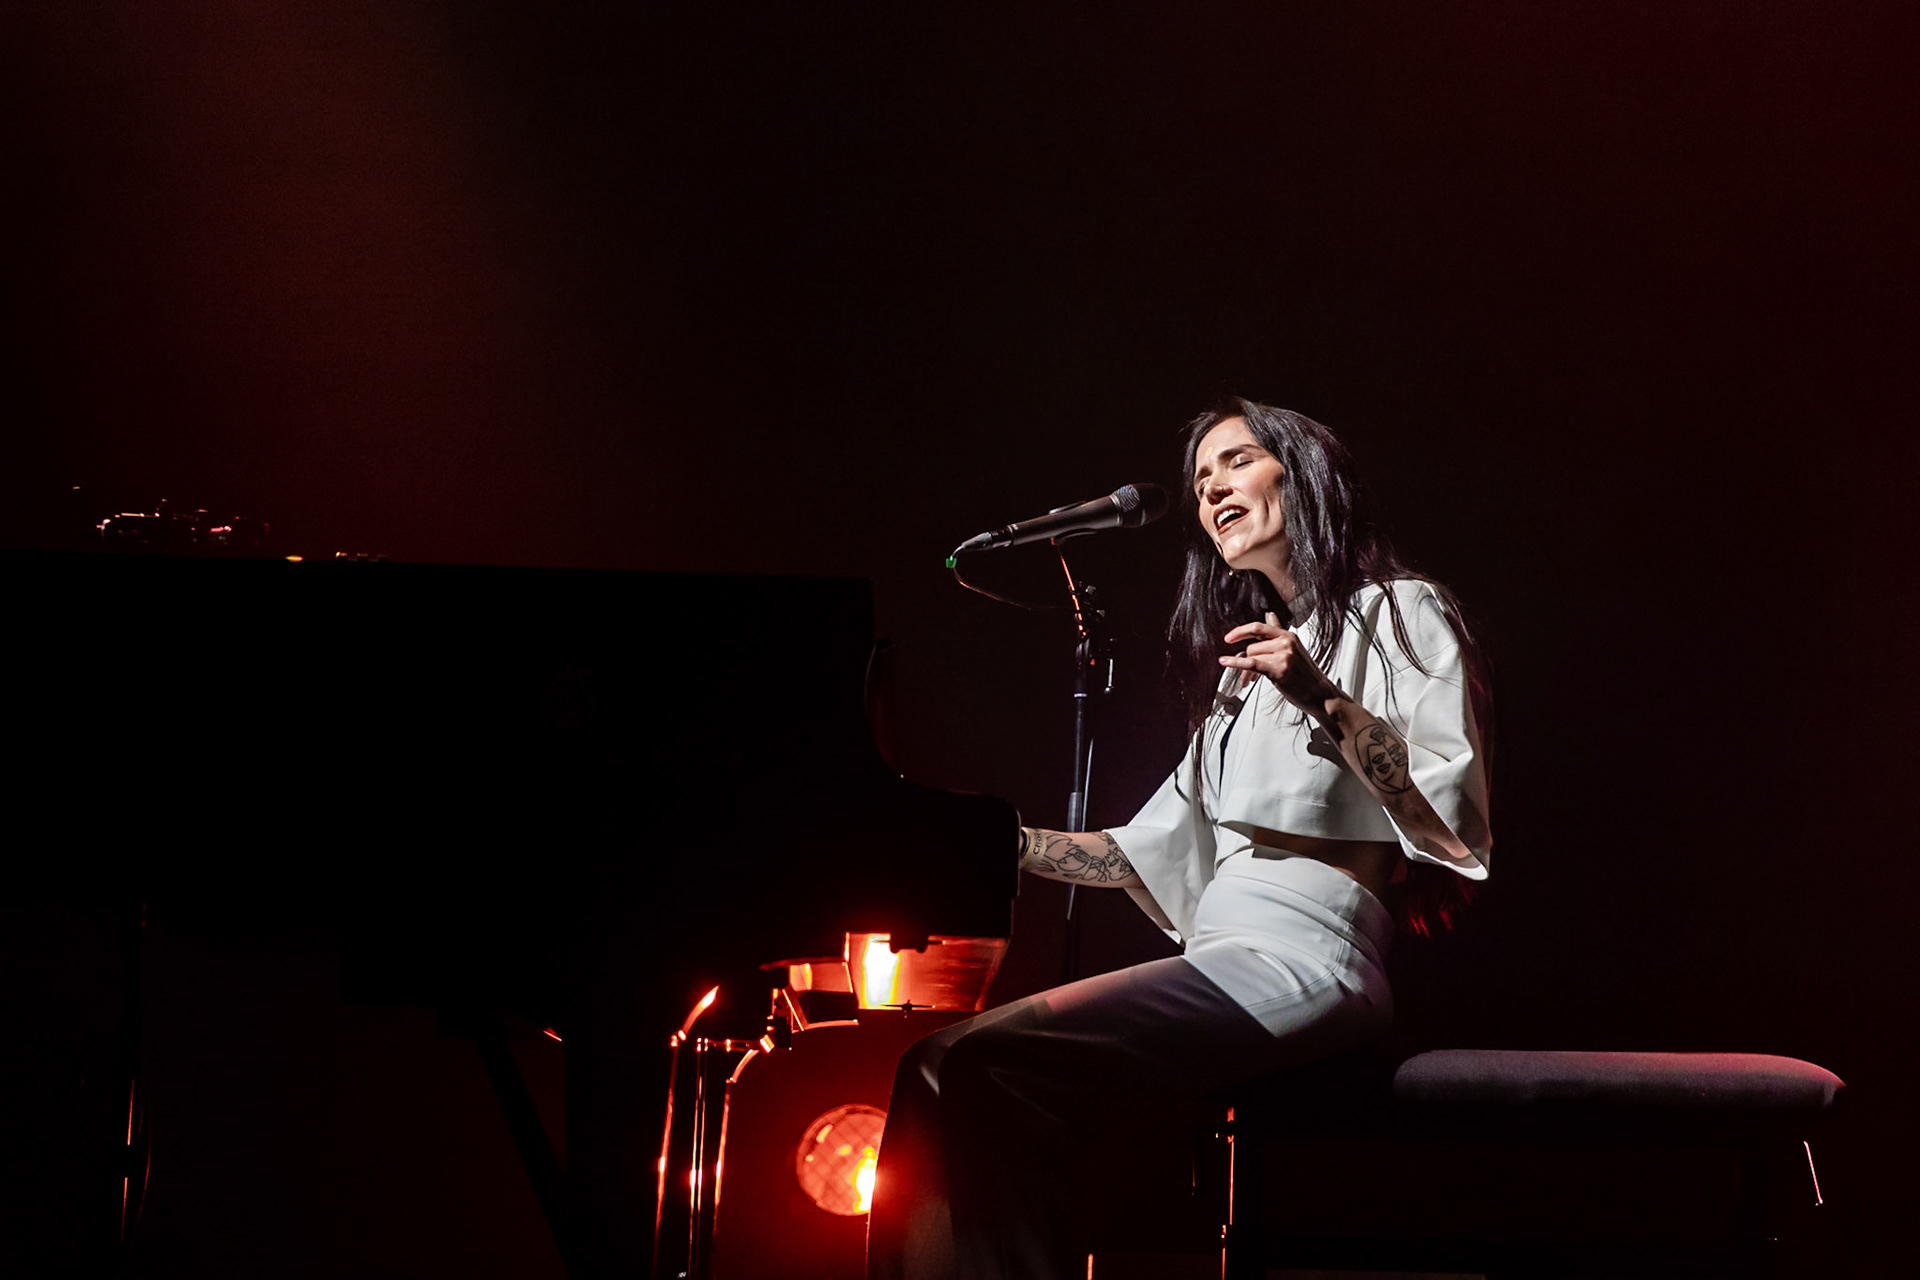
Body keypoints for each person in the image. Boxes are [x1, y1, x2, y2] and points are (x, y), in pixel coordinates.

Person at [865, 399, 1492, 1280]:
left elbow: (1444, 809)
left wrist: (1322, 697)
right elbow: (1138, 851)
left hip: (1309, 956)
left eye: (1235, 463)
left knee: (987, 1067)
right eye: (1201, 482)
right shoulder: (1245, 676)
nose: (1212, 491)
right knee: (933, 1067)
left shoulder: (1400, 612)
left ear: (1301, 474)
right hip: (1220, 953)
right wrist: (987, 836)